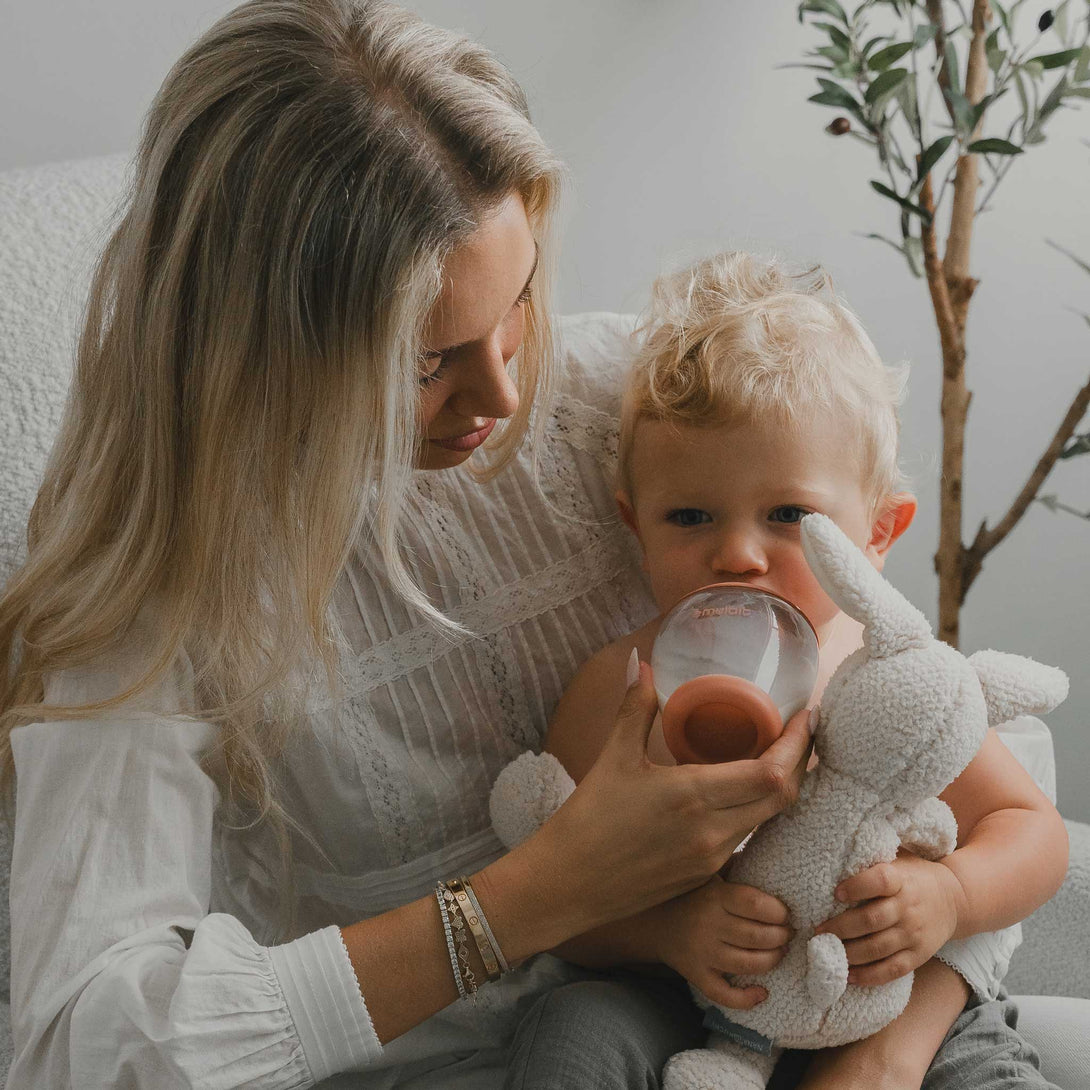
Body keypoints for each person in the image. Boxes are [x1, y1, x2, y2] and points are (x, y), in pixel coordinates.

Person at [0, 3, 815, 1088]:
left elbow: (920, 744)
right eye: (426, 361)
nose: (504, 391)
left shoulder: (636, 417)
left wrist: (882, 1060)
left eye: (518, 302)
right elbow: (75, 1051)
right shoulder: (159, 591)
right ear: (260, 350)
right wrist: (536, 895)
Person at [539, 252, 1070, 1089]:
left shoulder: (886, 680)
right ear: (634, 525)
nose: (738, 553)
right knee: (573, 1032)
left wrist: (952, 899)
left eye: (789, 514)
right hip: (680, 1001)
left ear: (878, 534)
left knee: (988, 1072)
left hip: (877, 1001)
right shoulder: (623, 689)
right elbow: (555, 898)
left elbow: (1033, 831)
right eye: (690, 515)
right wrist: (669, 931)